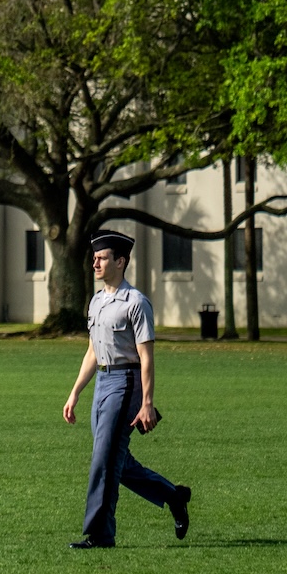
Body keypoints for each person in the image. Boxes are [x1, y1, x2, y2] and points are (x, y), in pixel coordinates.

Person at [63, 231, 191, 548]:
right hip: (103, 382)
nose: (95, 262)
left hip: (126, 383)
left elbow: (146, 357)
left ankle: (101, 534)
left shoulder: (136, 303)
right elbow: (93, 350)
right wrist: (76, 391)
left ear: (120, 262)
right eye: (95, 257)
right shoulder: (96, 301)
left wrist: (147, 403)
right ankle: (173, 496)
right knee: (114, 459)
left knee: (103, 461)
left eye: (102, 257)